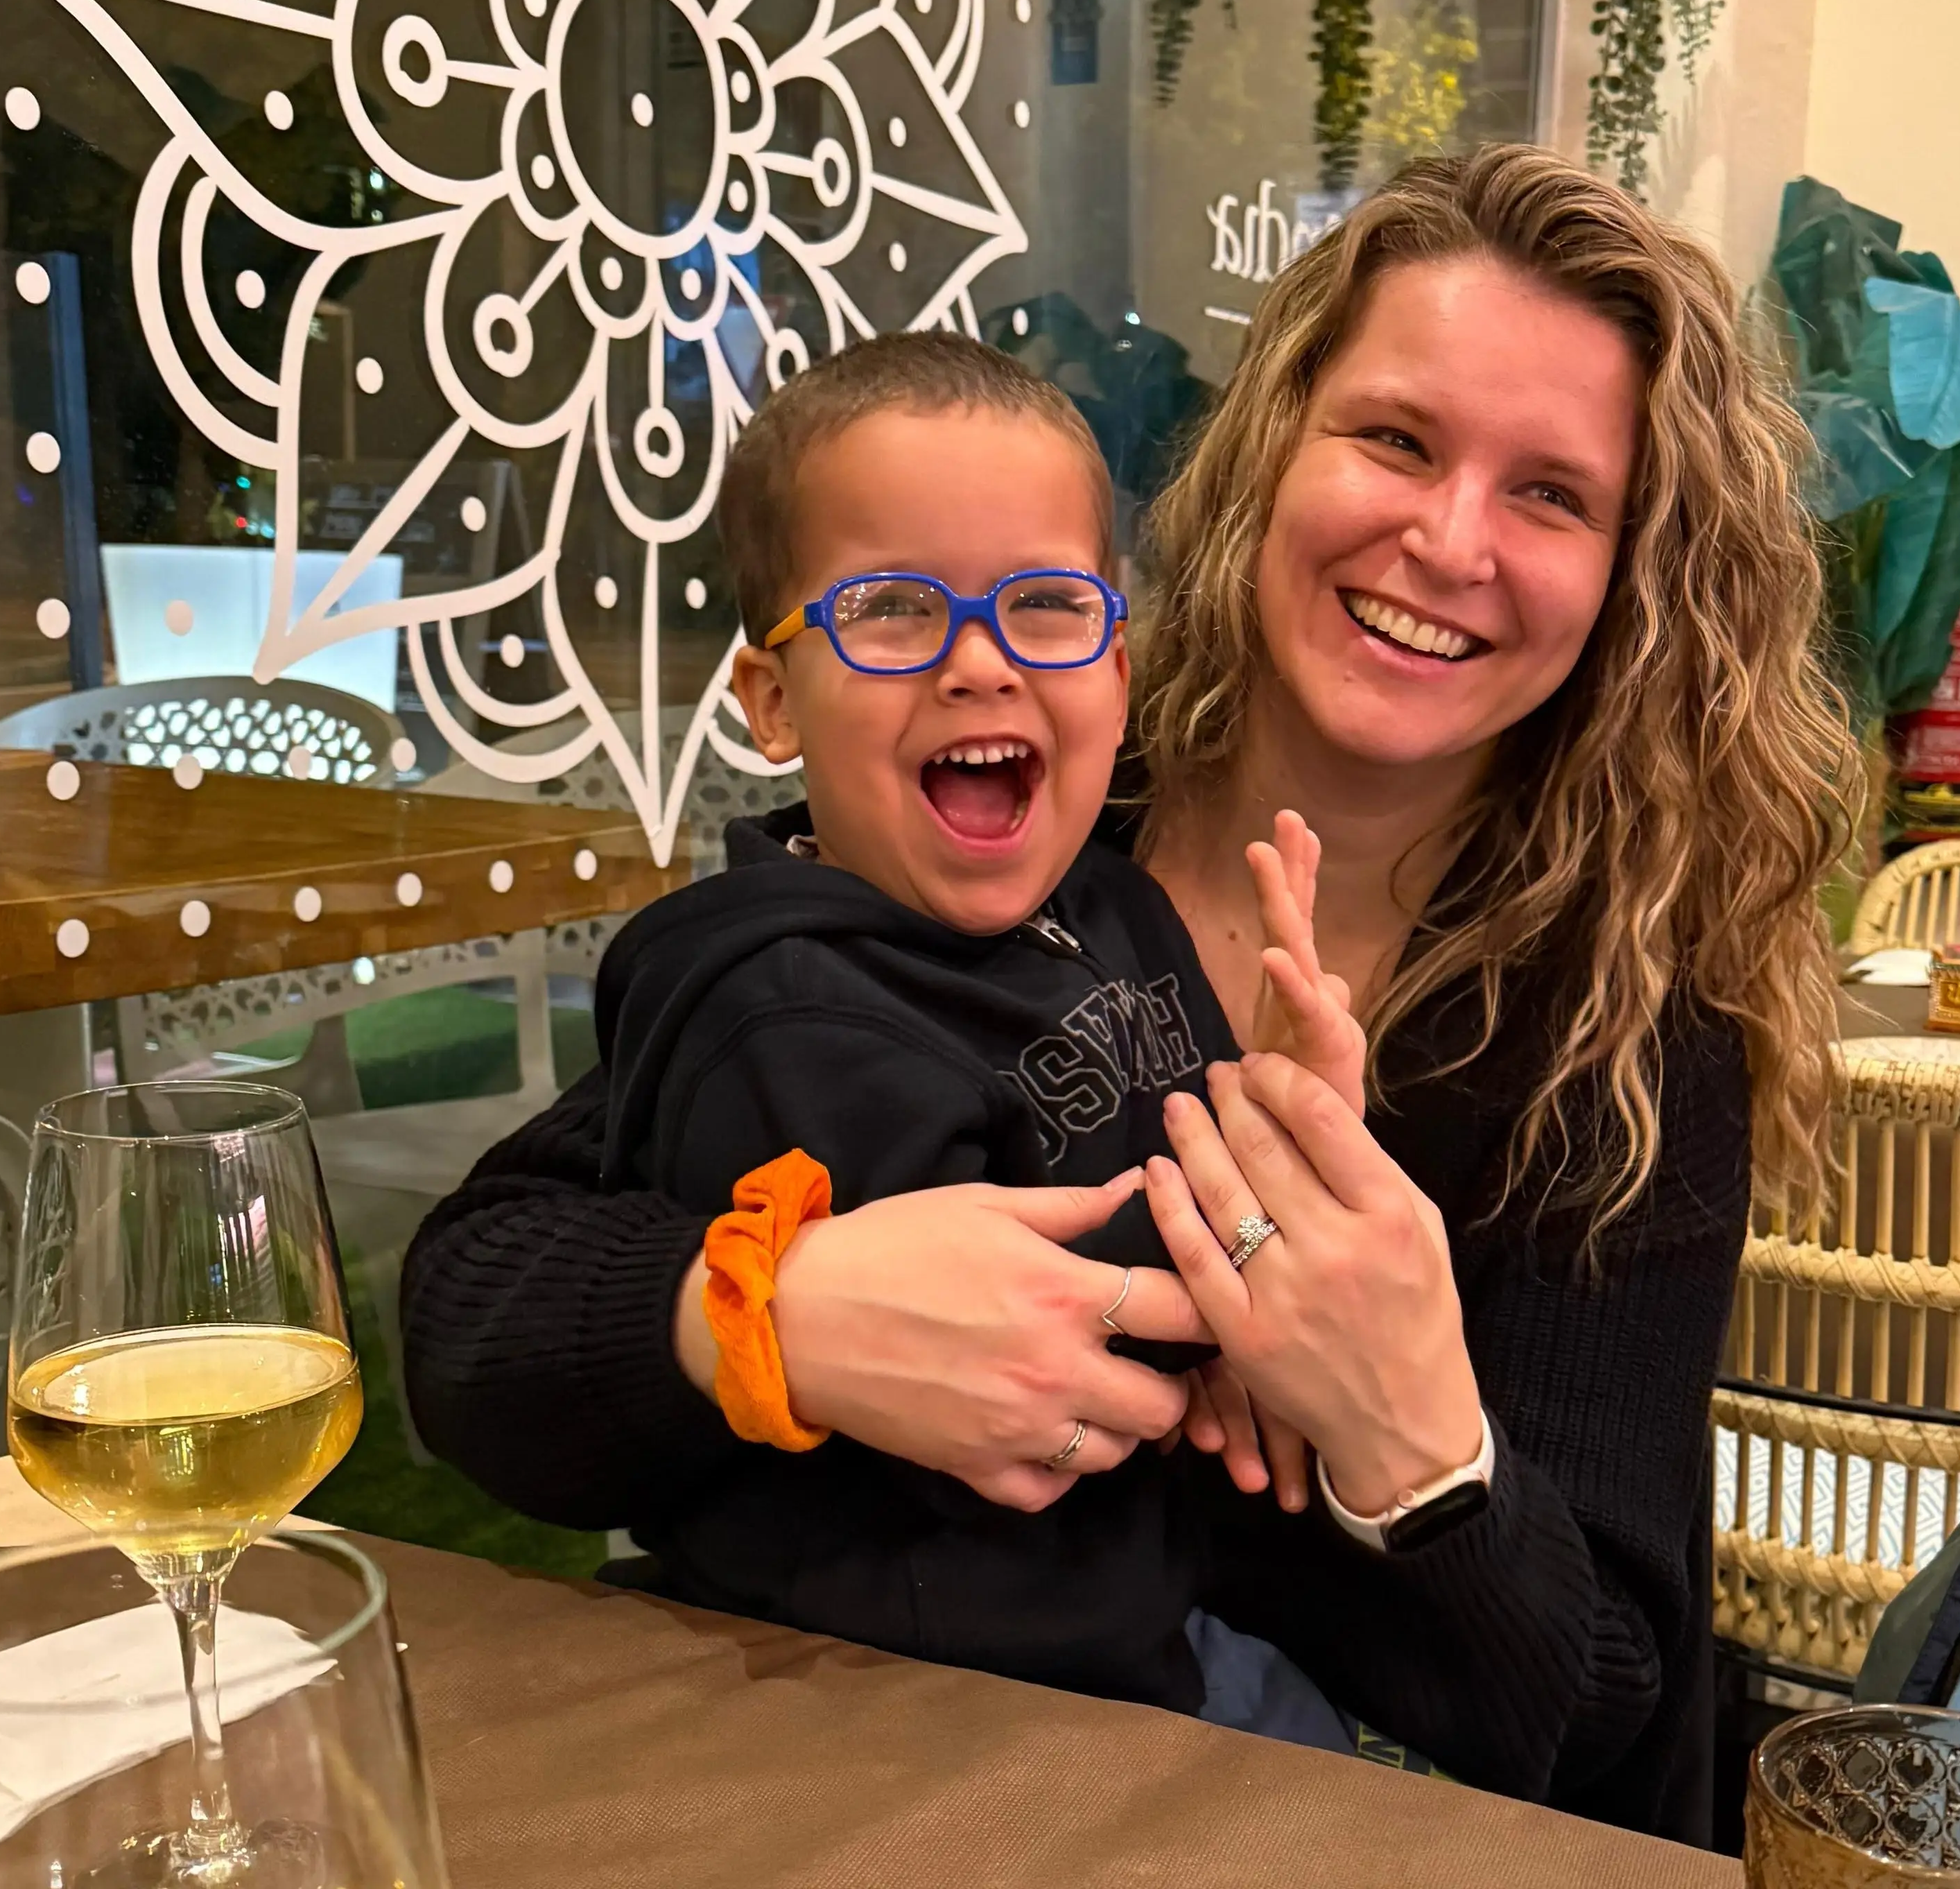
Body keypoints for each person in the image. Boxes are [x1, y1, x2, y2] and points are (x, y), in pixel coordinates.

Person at [401, 144, 1853, 1847]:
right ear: (1275, 450)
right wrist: (769, 1319)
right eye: (1394, 439)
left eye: (1552, 494)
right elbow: (471, 1323)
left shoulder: (1620, 1035)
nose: (1447, 539)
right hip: (866, 1776)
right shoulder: (1023, 833)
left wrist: (1413, 1434)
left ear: (1630, 576)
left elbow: (1597, 1708)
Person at [557, 331, 1366, 1713]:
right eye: (889, 608)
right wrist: (1273, 1213)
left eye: (1047, 605)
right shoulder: (777, 1006)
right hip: (913, 1698)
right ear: (769, 702)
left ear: (1120, 663)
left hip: (1152, 1622)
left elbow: (1177, 1137)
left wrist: (1271, 1109)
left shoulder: (1108, 907)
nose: (981, 665)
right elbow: (1014, 1330)